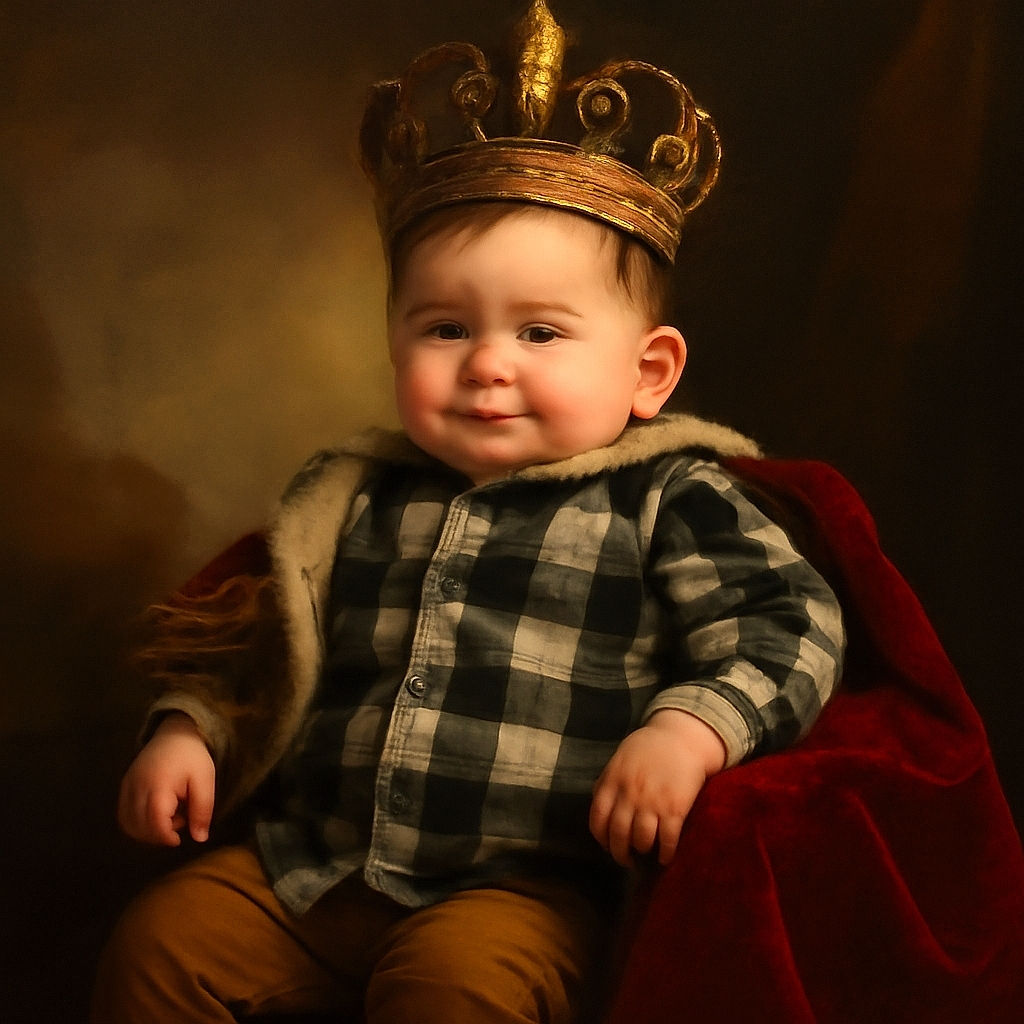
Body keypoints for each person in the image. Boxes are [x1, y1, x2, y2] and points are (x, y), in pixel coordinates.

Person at [91, 4, 844, 1022]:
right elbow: (255, 647)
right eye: (446, 327)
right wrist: (189, 732)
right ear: (396, 345)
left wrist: (688, 730)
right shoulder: (354, 495)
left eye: (540, 331)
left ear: (648, 371)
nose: (488, 362)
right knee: (158, 949)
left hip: (514, 888)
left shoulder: (667, 495)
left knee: (456, 993)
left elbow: (788, 625)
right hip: (307, 871)